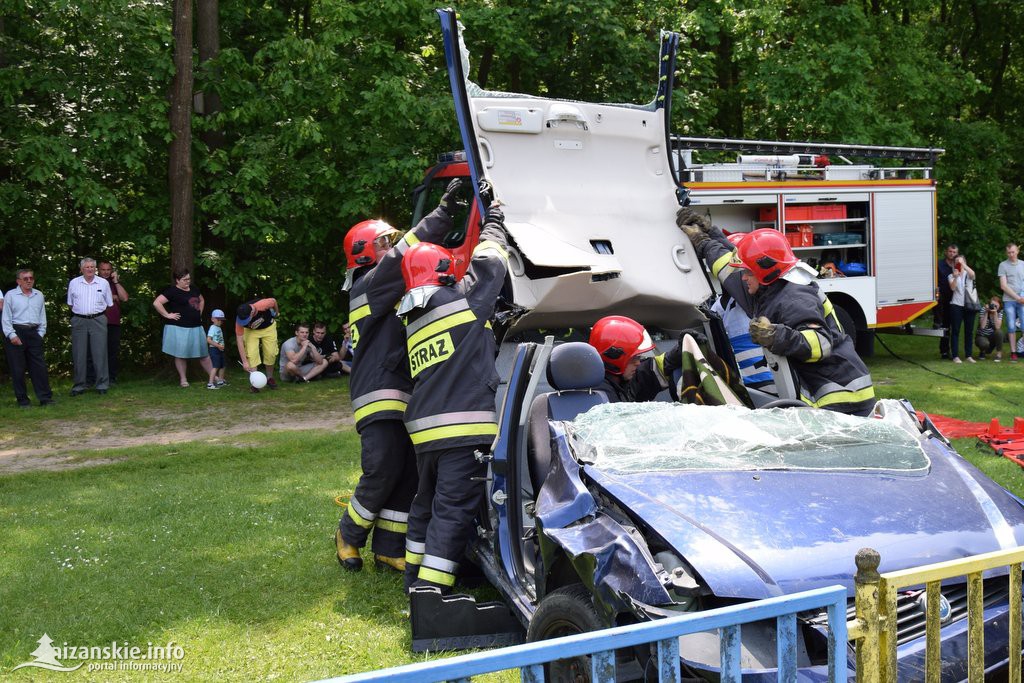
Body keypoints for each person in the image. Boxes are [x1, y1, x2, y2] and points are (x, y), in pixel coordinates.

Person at [335, 178, 461, 575]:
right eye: (384, 244)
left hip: (402, 391)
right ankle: (349, 534)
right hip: (379, 393)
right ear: (365, 256)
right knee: (384, 465)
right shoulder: (369, 285)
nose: (392, 248)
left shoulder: (383, 286)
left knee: (407, 469)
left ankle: (389, 546)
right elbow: (402, 256)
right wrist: (442, 214)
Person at [398, 187, 507, 593]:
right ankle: (431, 594)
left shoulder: (414, 319)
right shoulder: (459, 302)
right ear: (444, 271)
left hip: (425, 433)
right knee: (452, 511)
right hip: (461, 431)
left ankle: (413, 577)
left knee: (424, 506)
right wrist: (493, 218)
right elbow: (491, 264)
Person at [681, 219, 875, 416]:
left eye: (748, 272)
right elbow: (728, 270)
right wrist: (707, 238)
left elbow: (821, 343)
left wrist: (775, 335)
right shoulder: (769, 288)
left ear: (763, 270)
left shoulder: (794, 297)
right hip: (826, 390)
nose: (743, 277)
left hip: (841, 395)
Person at [587, 315, 683, 402]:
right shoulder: (600, 397)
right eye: (634, 357)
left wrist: (680, 350)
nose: (638, 363)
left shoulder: (621, 379)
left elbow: (651, 371)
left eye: (639, 357)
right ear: (614, 356)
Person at [152, 268, 214, 387]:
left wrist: (199, 313)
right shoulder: (172, 291)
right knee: (180, 354)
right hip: (179, 328)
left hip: (196, 326)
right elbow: (157, 303)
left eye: (189, 279)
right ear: (177, 280)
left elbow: (201, 300)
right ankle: (183, 379)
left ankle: (213, 376)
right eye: (184, 280)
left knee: (204, 354)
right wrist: (167, 315)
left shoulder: (194, 289)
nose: (187, 282)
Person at [2, 269, 54, 407]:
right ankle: (23, 401)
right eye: (25, 278)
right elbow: (6, 318)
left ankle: (45, 398)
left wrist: (40, 333)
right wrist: (12, 335)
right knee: (18, 369)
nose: (29, 280)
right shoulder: (11, 295)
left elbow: (42, 316)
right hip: (16, 331)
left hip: (34, 333)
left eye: (31, 278)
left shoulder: (39, 295)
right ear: (18, 281)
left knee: (39, 368)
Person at [67, 257, 113, 396]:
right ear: (81, 269)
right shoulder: (74, 283)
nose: (90, 269)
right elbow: (70, 303)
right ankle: (79, 385)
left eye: (92, 267)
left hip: (98, 319)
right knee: (79, 353)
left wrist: (97, 315)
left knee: (100, 353)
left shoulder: (103, 283)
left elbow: (109, 304)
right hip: (79, 320)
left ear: (95, 269)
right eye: (87, 267)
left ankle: (102, 384)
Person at [235, 297, 280, 392]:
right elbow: (239, 341)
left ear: (251, 313)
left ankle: (270, 378)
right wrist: (245, 362)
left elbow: (274, 301)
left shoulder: (263, 304)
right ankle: (255, 383)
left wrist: (276, 313)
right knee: (251, 355)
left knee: (271, 353)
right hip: (251, 331)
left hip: (268, 328)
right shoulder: (239, 320)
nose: (243, 322)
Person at [98, 261, 129, 383]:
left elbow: (124, 298)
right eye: (103, 269)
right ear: (98, 270)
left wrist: (116, 281)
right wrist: (112, 296)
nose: (105, 272)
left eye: (108, 270)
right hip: (97, 321)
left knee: (112, 351)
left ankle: (111, 378)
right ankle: (97, 377)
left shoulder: (114, 283)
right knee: (97, 351)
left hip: (113, 322)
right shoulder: (93, 283)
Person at [947, 255, 978, 364]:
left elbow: (973, 274)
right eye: (956, 262)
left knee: (969, 331)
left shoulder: (968, 274)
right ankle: (955, 356)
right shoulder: (951, 275)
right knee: (955, 331)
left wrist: (963, 265)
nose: (958, 264)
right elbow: (952, 288)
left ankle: (968, 355)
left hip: (969, 305)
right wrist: (956, 277)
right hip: (956, 305)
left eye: (960, 262)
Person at [998, 243, 1024, 362]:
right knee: (1011, 326)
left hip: (1022, 300)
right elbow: (1003, 285)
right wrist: (1017, 297)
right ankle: (1013, 352)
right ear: (1006, 253)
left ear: (1017, 251)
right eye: (1009, 252)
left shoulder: (1023, 264)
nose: (1011, 254)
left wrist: (1022, 297)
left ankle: (1021, 348)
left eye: (1013, 252)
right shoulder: (1003, 265)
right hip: (1009, 301)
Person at [937, 244, 958, 359]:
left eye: (954, 252)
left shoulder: (959, 266)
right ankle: (944, 352)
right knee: (944, 326)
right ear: (946, 252)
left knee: (952, 326)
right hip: (942, 299)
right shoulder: (939, 264)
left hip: (955, 299)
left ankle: (954, 351)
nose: (952, 254)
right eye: (950, 251)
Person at [976, 296, 1004, 362]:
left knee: (999, 332)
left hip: (992, 337)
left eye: (996, 306)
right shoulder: (983, 309)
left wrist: (995, 313)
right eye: (992, 305)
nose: (994, 307)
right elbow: (982, 326)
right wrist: (986, 312)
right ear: (989, 304)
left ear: (999, 306)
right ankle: (982, 351)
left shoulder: (1000, 312)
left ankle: (999, 354)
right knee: (984, 343)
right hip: (982, 336)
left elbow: (997, 327)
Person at [207, 309, 228, 387]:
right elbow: (208, 340)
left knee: (223, 365)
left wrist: (221, 346)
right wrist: (218, 346)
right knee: (215, 366)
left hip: (220, 349)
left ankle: (220, 381)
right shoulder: (212, 328)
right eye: (218, 320)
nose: (220, 322)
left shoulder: (218, 328)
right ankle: (210, 383)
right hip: (214, 349)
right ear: (213, 319)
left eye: (222, 320)